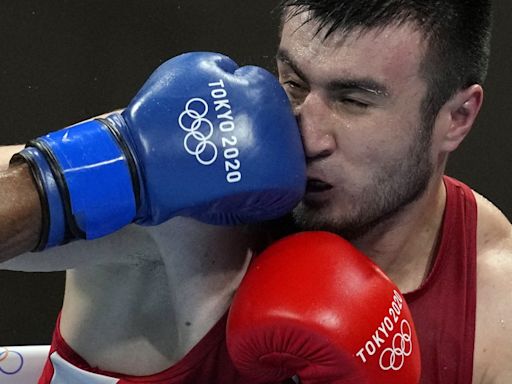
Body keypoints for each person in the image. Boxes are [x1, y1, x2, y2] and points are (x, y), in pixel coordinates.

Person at [1, 0, 511, 383]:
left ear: (457, 118)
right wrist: (119, 168)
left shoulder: (495, 302)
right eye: (293, 82)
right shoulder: (193, 208)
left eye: (353, 100)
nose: (308, 135)